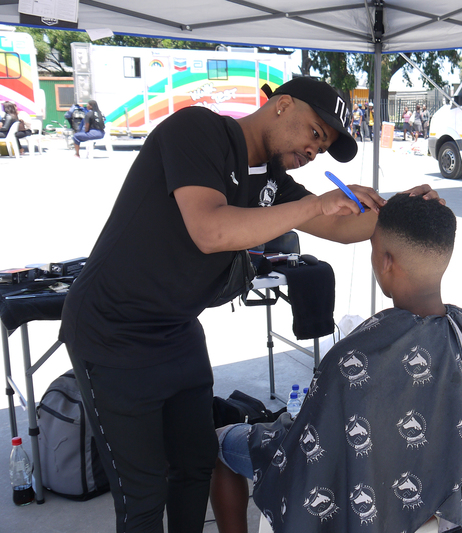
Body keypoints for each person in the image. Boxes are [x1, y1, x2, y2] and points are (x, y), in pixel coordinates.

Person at [59, 77, 441, 533]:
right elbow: (211, 230)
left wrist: (404, 210)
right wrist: (317, 204)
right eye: (315, 134)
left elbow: (343, 228)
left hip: (176, 329)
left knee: (195, 469)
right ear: (281, 106)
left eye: (322, 148)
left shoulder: (273, 180)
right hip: (111, 330)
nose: (312, 151)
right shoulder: (198, 131)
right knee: (143, 495)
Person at [210, 193, 462, 533]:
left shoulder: (355, 357)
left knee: (219, 442)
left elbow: (311, 445)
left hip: (369, 492)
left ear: (386, 260)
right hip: (443, 495)